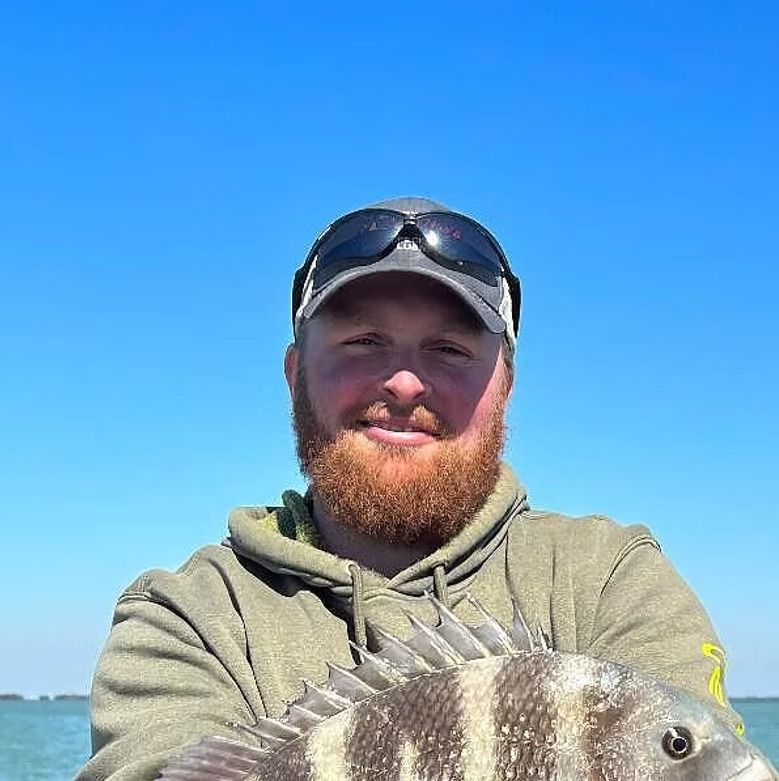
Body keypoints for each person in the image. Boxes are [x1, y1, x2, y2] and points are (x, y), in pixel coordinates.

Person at [78, 197, 742, 780]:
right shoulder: (186, 617)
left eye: (448, 348)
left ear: (503, 388)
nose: (402, 382)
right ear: (295, 374)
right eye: (364, 341)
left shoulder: (608, 578)